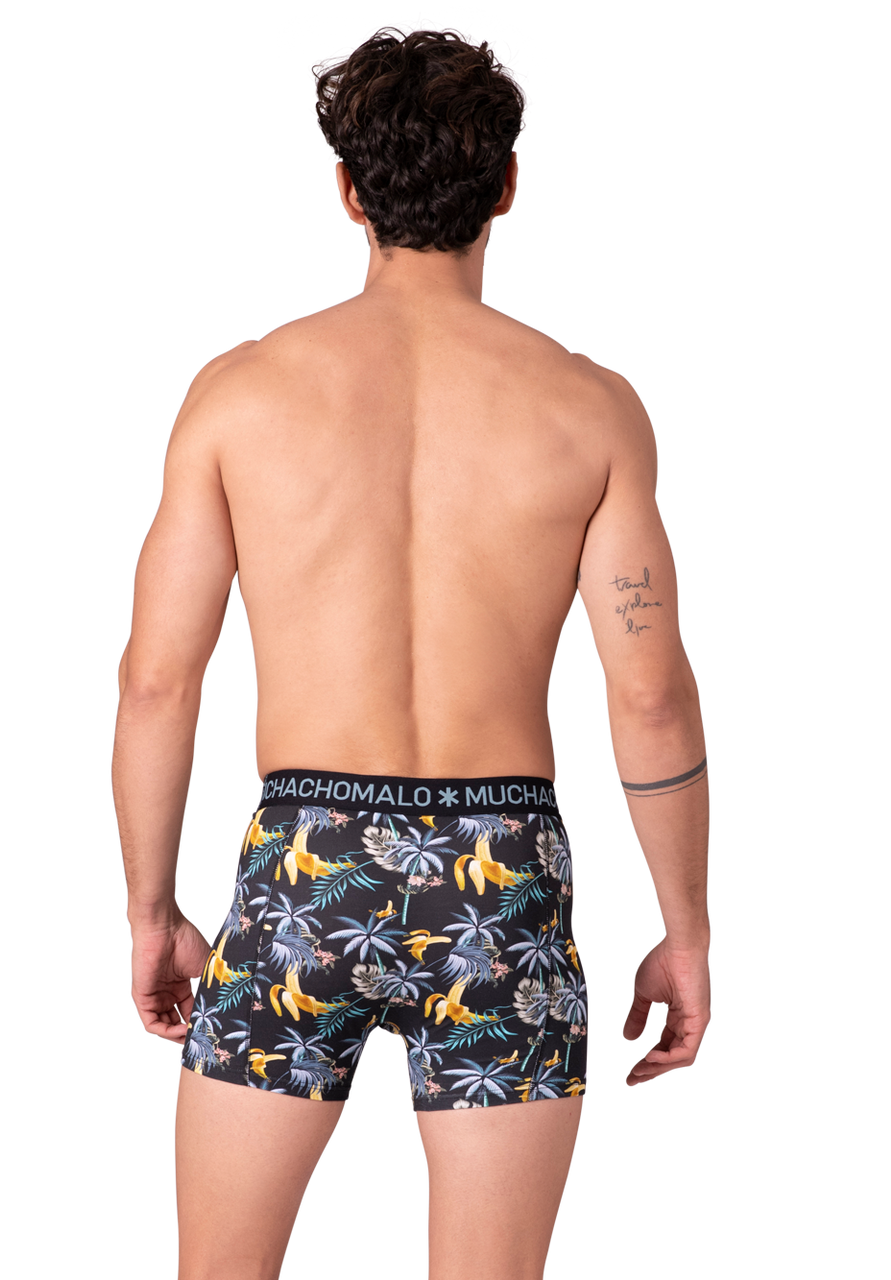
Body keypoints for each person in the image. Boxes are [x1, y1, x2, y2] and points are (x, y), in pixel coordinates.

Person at [110, 27, 713, 1280]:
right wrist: (687, 927)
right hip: (505, 875)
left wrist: (151, 911)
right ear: (509, 183)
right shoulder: (592, 404)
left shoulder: (237, 391)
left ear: (345, 187)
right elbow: (650, 692)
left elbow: (158, 680)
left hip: (302, 867)